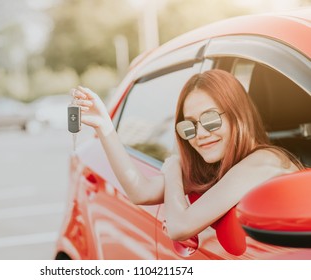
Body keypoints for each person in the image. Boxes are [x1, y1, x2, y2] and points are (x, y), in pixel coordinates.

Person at [71, 69, 304, 247]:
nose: (200, 134)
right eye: (189, 126)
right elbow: (140, 191)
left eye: (211, 119)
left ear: (237, 115)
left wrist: (173, 168)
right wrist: (104, 127)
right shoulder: (214, 164)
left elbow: (179, 227)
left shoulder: (264, 161)